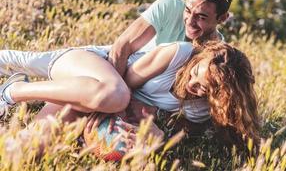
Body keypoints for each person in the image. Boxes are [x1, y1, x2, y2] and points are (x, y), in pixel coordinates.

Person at [0, 0, 232, 134]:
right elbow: (122, 46)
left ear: (222, 19)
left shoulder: (214, 59)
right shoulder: (170, 7)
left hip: (111, 90)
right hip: (105, 65)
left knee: (39, 136)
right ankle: (12, 91)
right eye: (188, 10)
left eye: (201, 17)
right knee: (23, 61)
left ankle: (19, 90)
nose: (189, 21)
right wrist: (117, 111)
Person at [0, 41, 260, 148]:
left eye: (206, 88)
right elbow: (122, 81)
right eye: (195, 73)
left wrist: (156, 134)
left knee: (27, 146)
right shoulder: (178, 54)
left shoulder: (204, 110)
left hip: (89, 99)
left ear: (222, 95)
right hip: (92, 70)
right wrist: (118, 113)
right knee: (116, 95)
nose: (193, 85)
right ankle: (13, 91)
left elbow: (171, 130)